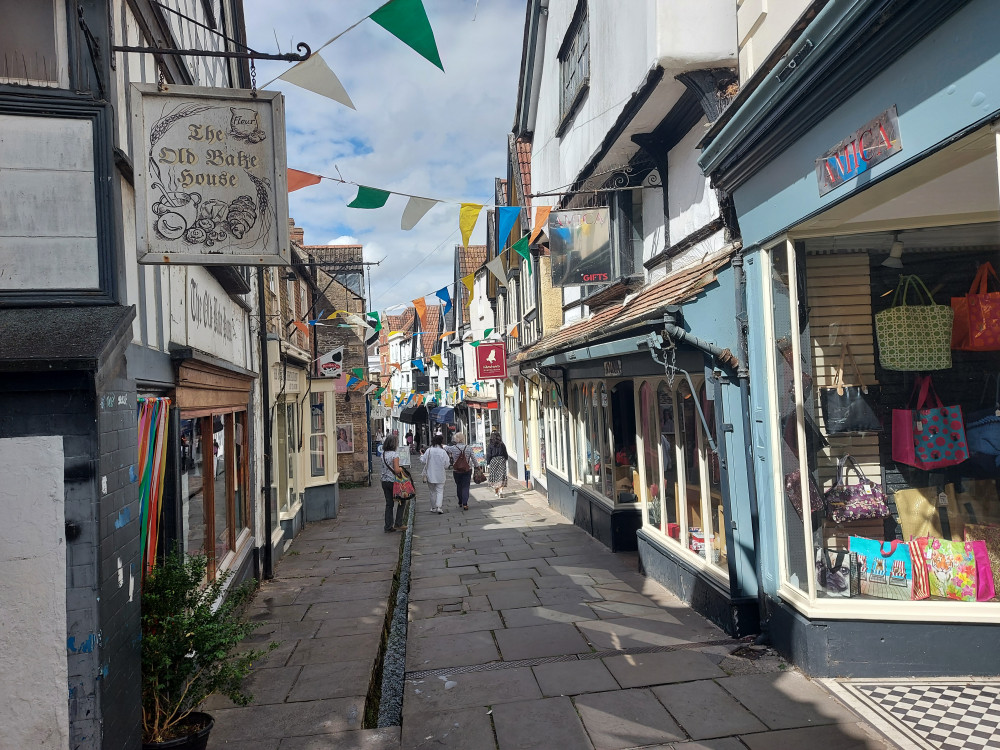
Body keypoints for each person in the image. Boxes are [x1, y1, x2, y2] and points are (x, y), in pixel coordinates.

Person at [379, 435, 408, 532]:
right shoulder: (394, 455)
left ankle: (388, 526)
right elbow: (396, 470)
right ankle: (398, 523)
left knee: (389, 504)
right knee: (402, 500)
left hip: (384, 481)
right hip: (393, 482)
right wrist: (401, 468)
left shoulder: (383, 454)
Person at [445, 432, 479, 511]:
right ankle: (465, 503)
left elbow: (445, 448)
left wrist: (440, 444)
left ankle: (460, 501)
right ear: (463, 438)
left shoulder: (453, 448)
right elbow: (473, 458)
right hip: (467, 469)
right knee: (466, 486)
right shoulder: (468, 447)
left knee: (459, 486)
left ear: (456, 439)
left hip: (457, 470)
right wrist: (477, 466)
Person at [420, 434, 451, 514]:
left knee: (432, 492)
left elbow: (423, 461)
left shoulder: (429, 450)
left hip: (430, 474)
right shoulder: (443, 452)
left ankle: (433, 507)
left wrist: (421, 455)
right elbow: (447, 464)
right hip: (440, 474)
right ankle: (439, 507)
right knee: (440, 491)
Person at [486, 432, 509, 498]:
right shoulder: (502, 444)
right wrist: (506, 459)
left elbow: (488, 455)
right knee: (502, 475)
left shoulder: (490, 445)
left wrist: (488, 463)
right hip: (502, 460)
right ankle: (501, 490)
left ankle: (496, 492)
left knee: (495, 477)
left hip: (493, 461)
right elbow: (505, 453)